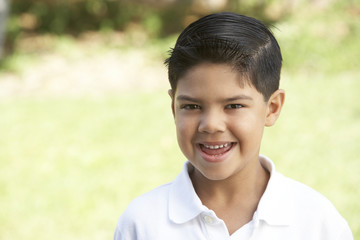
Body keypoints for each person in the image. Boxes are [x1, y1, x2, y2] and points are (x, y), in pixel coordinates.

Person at [114, 12, 353, 239]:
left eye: (234, 106)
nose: (211, 125)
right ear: (174, 108)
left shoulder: (316, 223)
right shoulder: (142, 224)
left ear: (272, 108)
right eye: (192, 106)